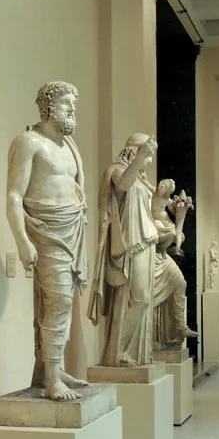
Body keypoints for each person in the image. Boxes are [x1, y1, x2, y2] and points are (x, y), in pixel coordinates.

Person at [6, 82, 90, 401]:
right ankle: (53, 378)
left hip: (72, 229)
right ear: (49, 105)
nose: (72, 110)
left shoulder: (70, 147)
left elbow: (78, 189)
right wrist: (21, 240)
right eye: (66, 103)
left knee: (60, 302)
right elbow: (14, 194)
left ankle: (50, 369)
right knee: (59, 301)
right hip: (46, 229)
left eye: (74, 104)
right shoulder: (28, 142)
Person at [88, 134, 159, 367]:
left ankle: (134, 352)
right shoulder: (118, 170)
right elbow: (122, 184)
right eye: (146, 155)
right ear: (134, 150)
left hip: (146, 240)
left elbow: (153, 209)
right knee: (137, 297)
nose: (149, 161)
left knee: (145, 301)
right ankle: (117, 352)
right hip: (129, 243)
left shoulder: (141, 179)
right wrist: (140, 158)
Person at [150, 179, 197, 348]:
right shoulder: (149, 194)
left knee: (181, 283)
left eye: (172, 191)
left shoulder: (167, 200)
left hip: (162, 255)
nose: (169, 193)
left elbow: (176, 210)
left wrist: (182, 207)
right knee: (153, 301)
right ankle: (155, 338)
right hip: (152, 255)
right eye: (168, 189)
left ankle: (180, 327)